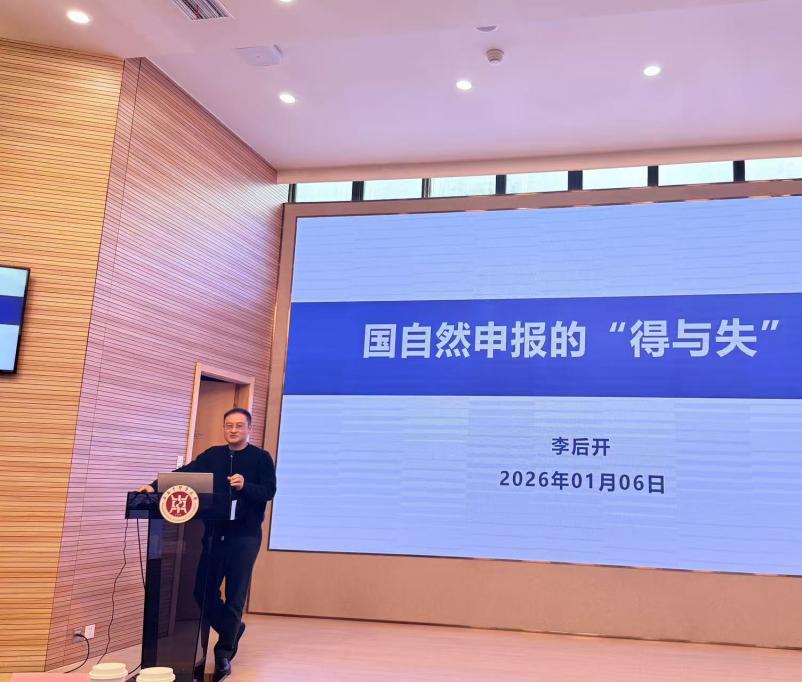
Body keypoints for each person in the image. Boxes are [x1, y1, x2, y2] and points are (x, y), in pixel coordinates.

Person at [137, 407, 276, 680]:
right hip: (213, 535)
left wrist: (245, 485)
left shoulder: (261, 458)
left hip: (245, 537)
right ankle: (231, 628)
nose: (233, 430)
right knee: (202, 592)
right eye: (228, 425)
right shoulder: (213, 455)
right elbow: (185, 474)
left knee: (235, 594)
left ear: (249, 428)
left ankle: (223, 654)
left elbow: (269, 491)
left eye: (239, 425)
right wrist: (154, 486)